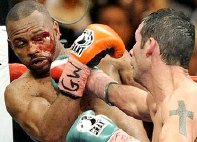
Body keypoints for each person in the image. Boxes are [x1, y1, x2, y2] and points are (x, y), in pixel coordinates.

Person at [4, 1, 149, 141]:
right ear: (11, 46)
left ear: (56, 30)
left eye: (40, 38)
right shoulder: (19, 91)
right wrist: (77, 69)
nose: (33, 50)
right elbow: (51, 136)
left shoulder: (108, 59)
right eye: (21, 43)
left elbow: (159, 103)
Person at [69, 8, 197, 141]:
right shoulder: (166, 98)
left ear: (150, 46)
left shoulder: (180, 104)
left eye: (137, 42)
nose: (131, 51)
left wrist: (116, 138)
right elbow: (133, 102)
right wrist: (90, 77)